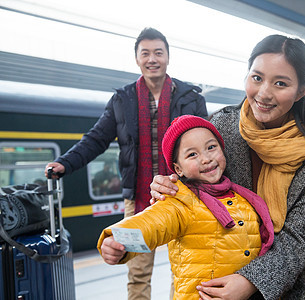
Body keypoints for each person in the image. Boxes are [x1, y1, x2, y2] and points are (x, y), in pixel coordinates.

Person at [150, 34, 305, 300]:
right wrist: (168, 186)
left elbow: (298, 239)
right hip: (216, 280)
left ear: (302, 90)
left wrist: (249, 281)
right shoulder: (222, 127)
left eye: (280, 83)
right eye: (257, 78)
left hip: (287, 290)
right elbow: (196, 191)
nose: (264, 93)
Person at [44, 27, 207, 300]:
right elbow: (96, 139)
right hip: (140, 197)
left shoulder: (191, 97)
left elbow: (206, 142)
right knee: (138, 272)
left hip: (184, 194)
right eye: (146, 53)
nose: (152, 59)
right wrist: (65, 163)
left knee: (186, 269)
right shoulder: (123, 100)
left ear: (168, 57)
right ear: (137, 59)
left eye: (158, 52)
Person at [97, 115, 274, 299]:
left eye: (211, 147)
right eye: (192, 154)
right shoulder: (180, 201)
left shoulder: (243, 198)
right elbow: (152, 222)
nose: (205, 158)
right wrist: (118, 240)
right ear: (178, 169)